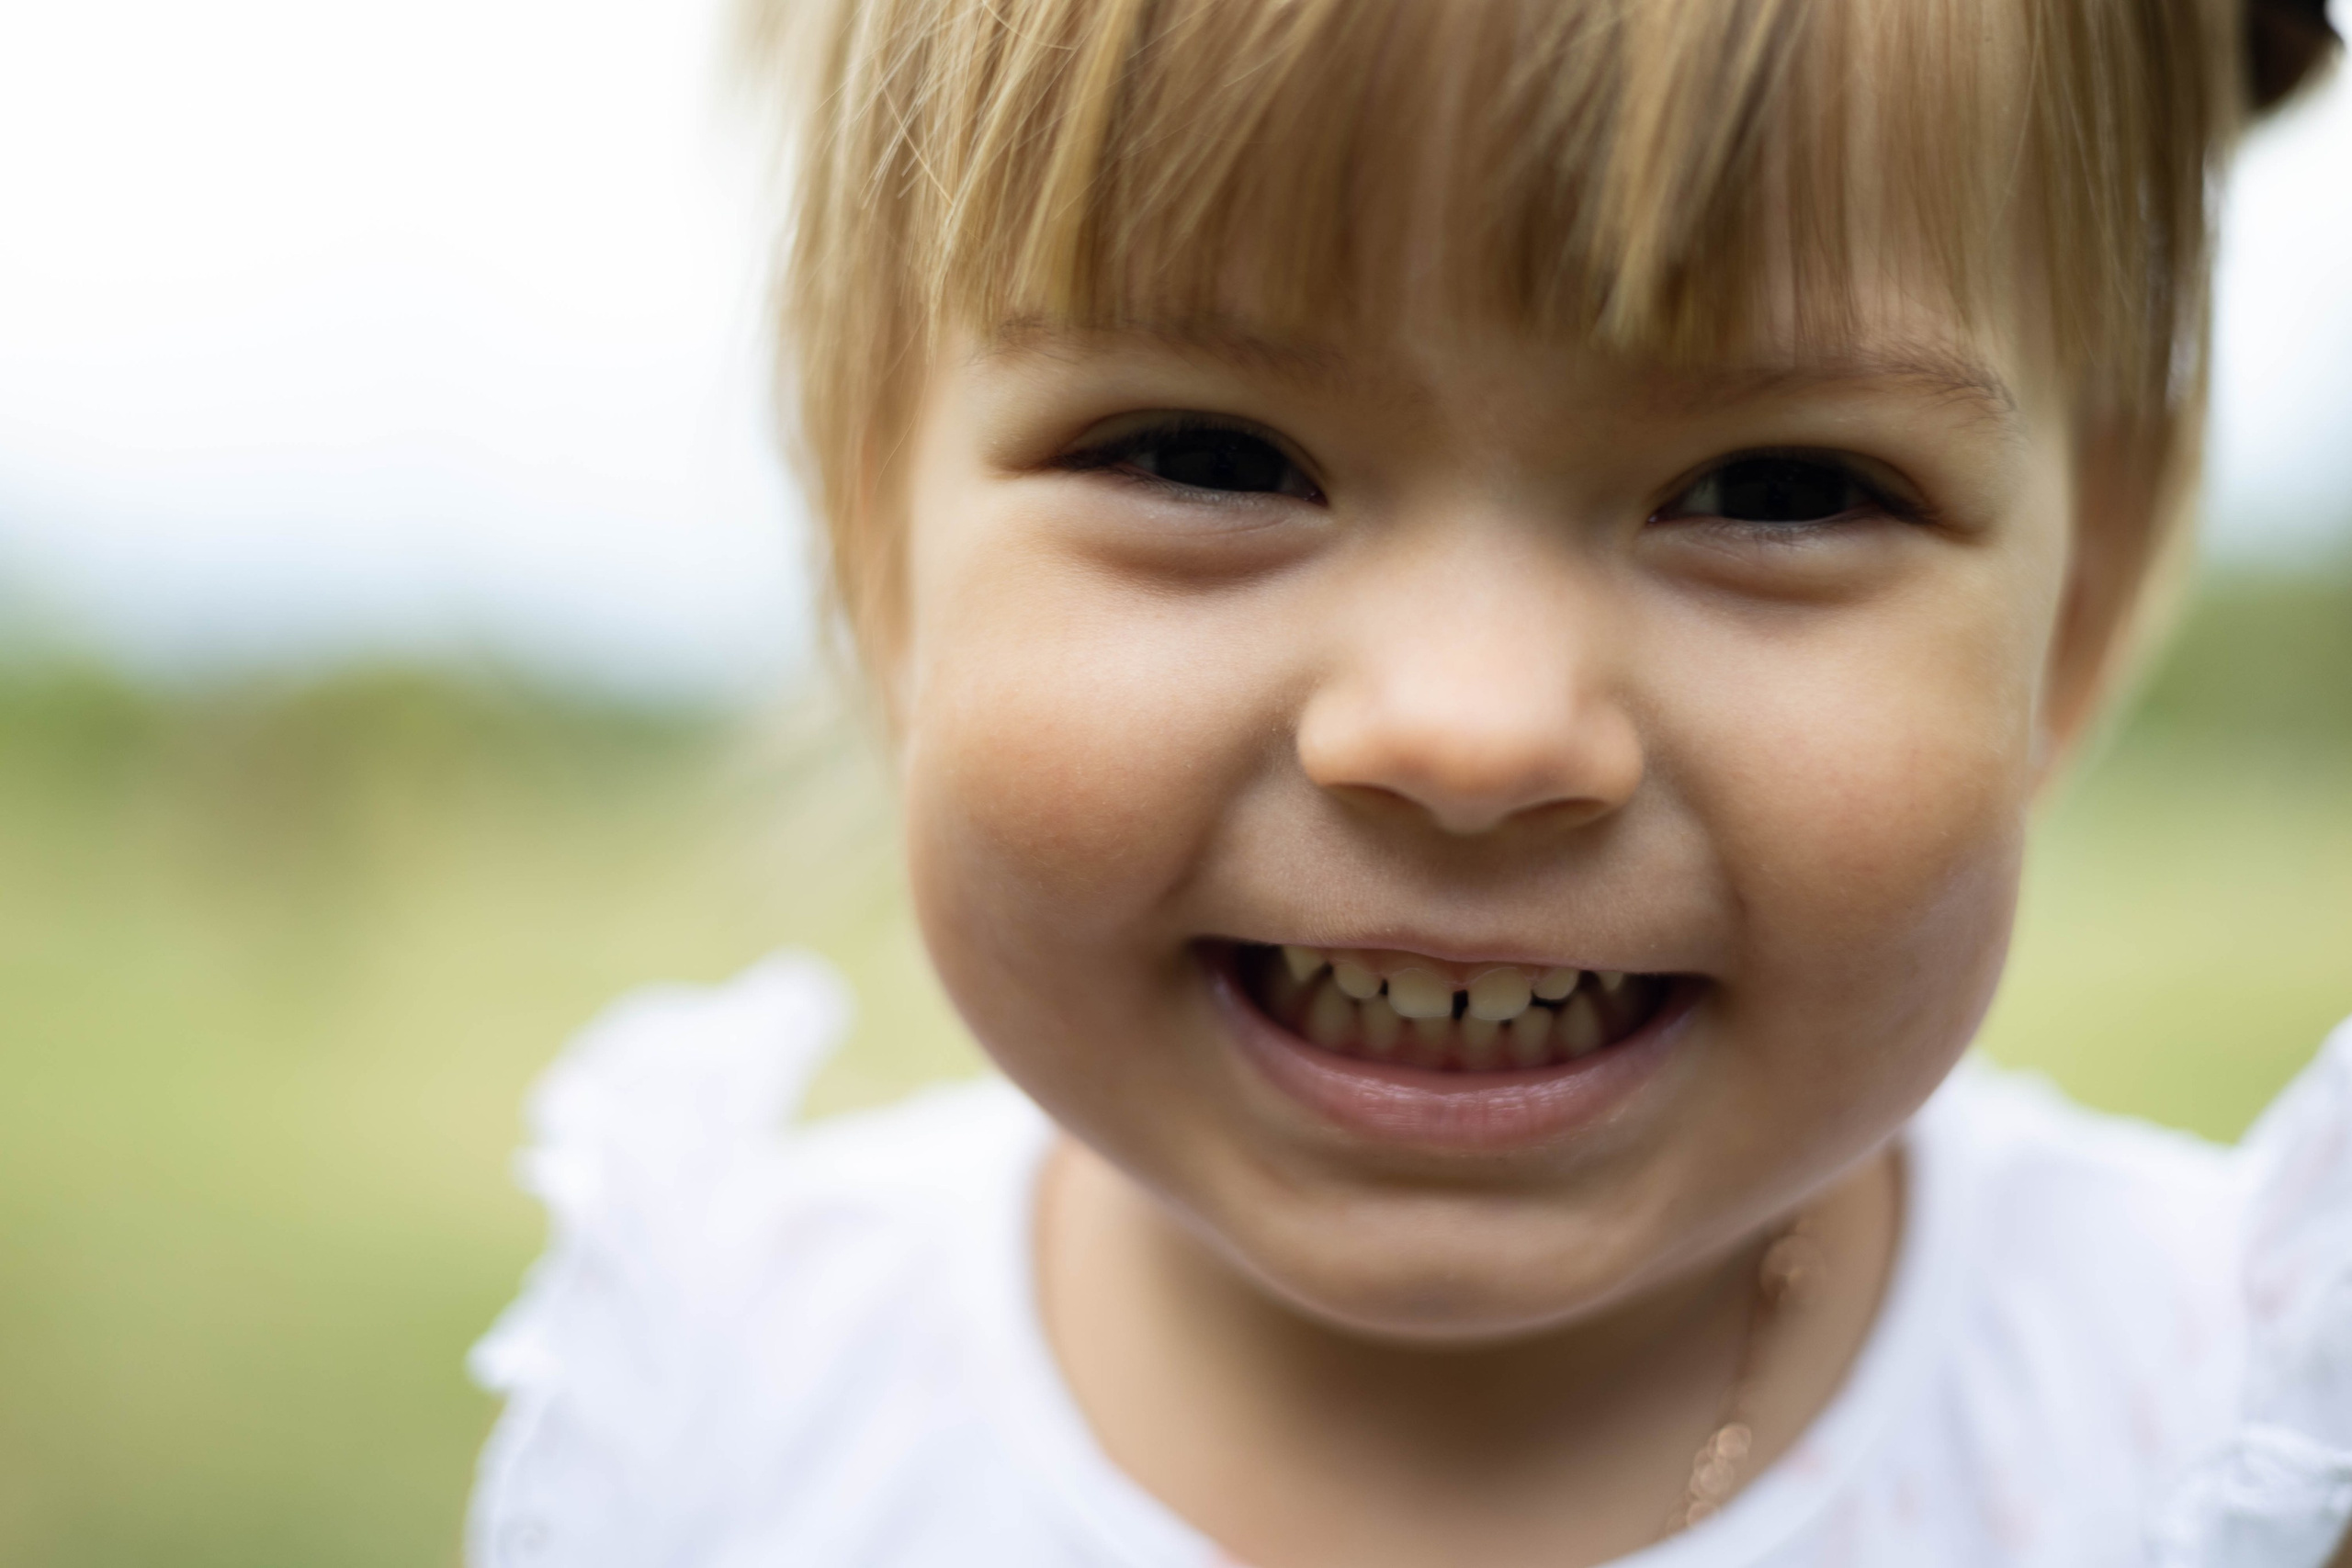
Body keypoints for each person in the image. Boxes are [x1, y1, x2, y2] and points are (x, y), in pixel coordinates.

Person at [465, 1, 2352, 1563]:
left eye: (1777, 489)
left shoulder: (2218, 1438)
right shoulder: (722, 1429)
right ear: (877, 543)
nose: (1471, 732)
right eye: (1204, 456)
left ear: (2071, 608)